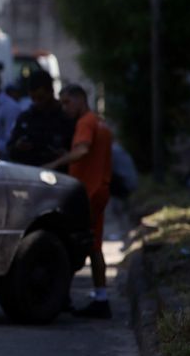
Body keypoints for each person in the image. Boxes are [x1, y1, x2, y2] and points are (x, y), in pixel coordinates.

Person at [42, 84, 113, 318]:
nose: (64, 108)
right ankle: (100, 297)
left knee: (82, 245)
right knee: (94, 246)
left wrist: (56, 163)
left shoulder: (85, 123)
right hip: (98, 189)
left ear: (80, 99)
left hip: (89, 193)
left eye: (67, 102)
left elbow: (83, 151)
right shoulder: (98, 122)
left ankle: (70, 297)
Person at [6, 70, 74, 171]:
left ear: (51, 91)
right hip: (31, 174)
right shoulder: (26, 117)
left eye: (41, 98)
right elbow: (10, 150)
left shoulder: (66, 116)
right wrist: (18, 147)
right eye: (33, 98)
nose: (37, 102)